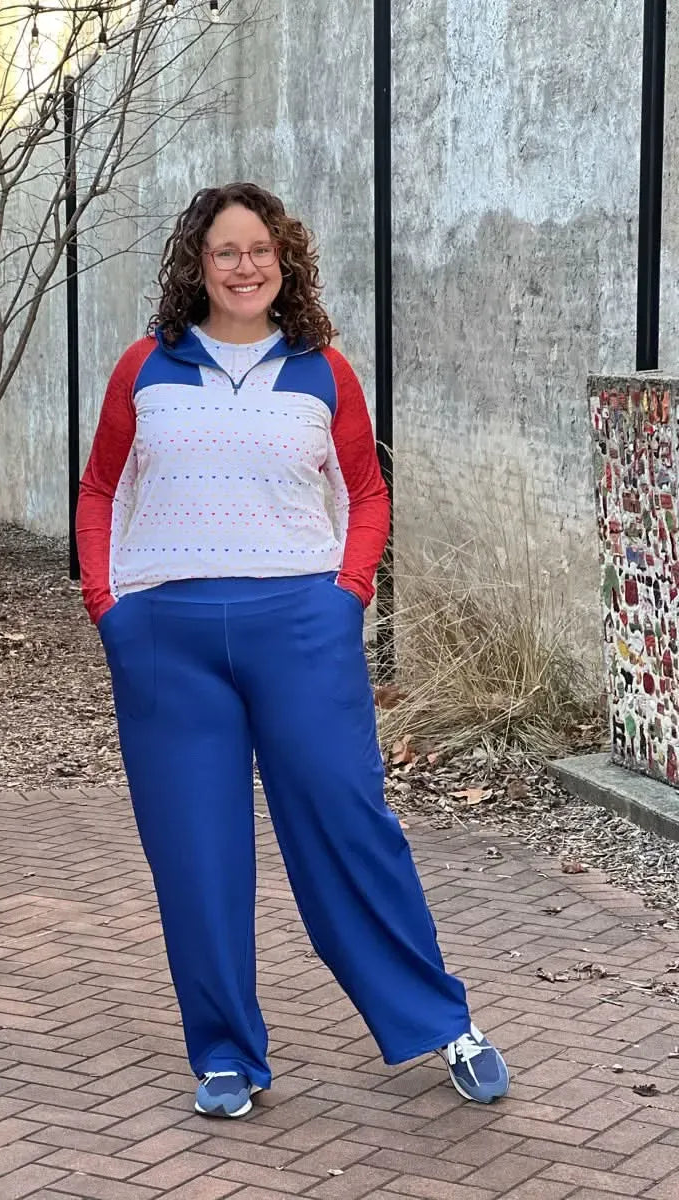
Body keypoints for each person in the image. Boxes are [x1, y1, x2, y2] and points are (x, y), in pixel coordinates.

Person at [76, 182, 509, 1119]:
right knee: (197, 854)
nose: (245, 266)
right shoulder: (143, 368)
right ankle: (226, 1054)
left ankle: (443, 1021)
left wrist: (347, 594)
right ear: (198, 264)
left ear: (285, 262)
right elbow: (101, 489)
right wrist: (109, 605)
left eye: (260, 250)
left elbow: (367, 493)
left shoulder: (324, 372)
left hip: (303, 630)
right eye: (226, 251)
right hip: (166, 639)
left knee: (350, 828)